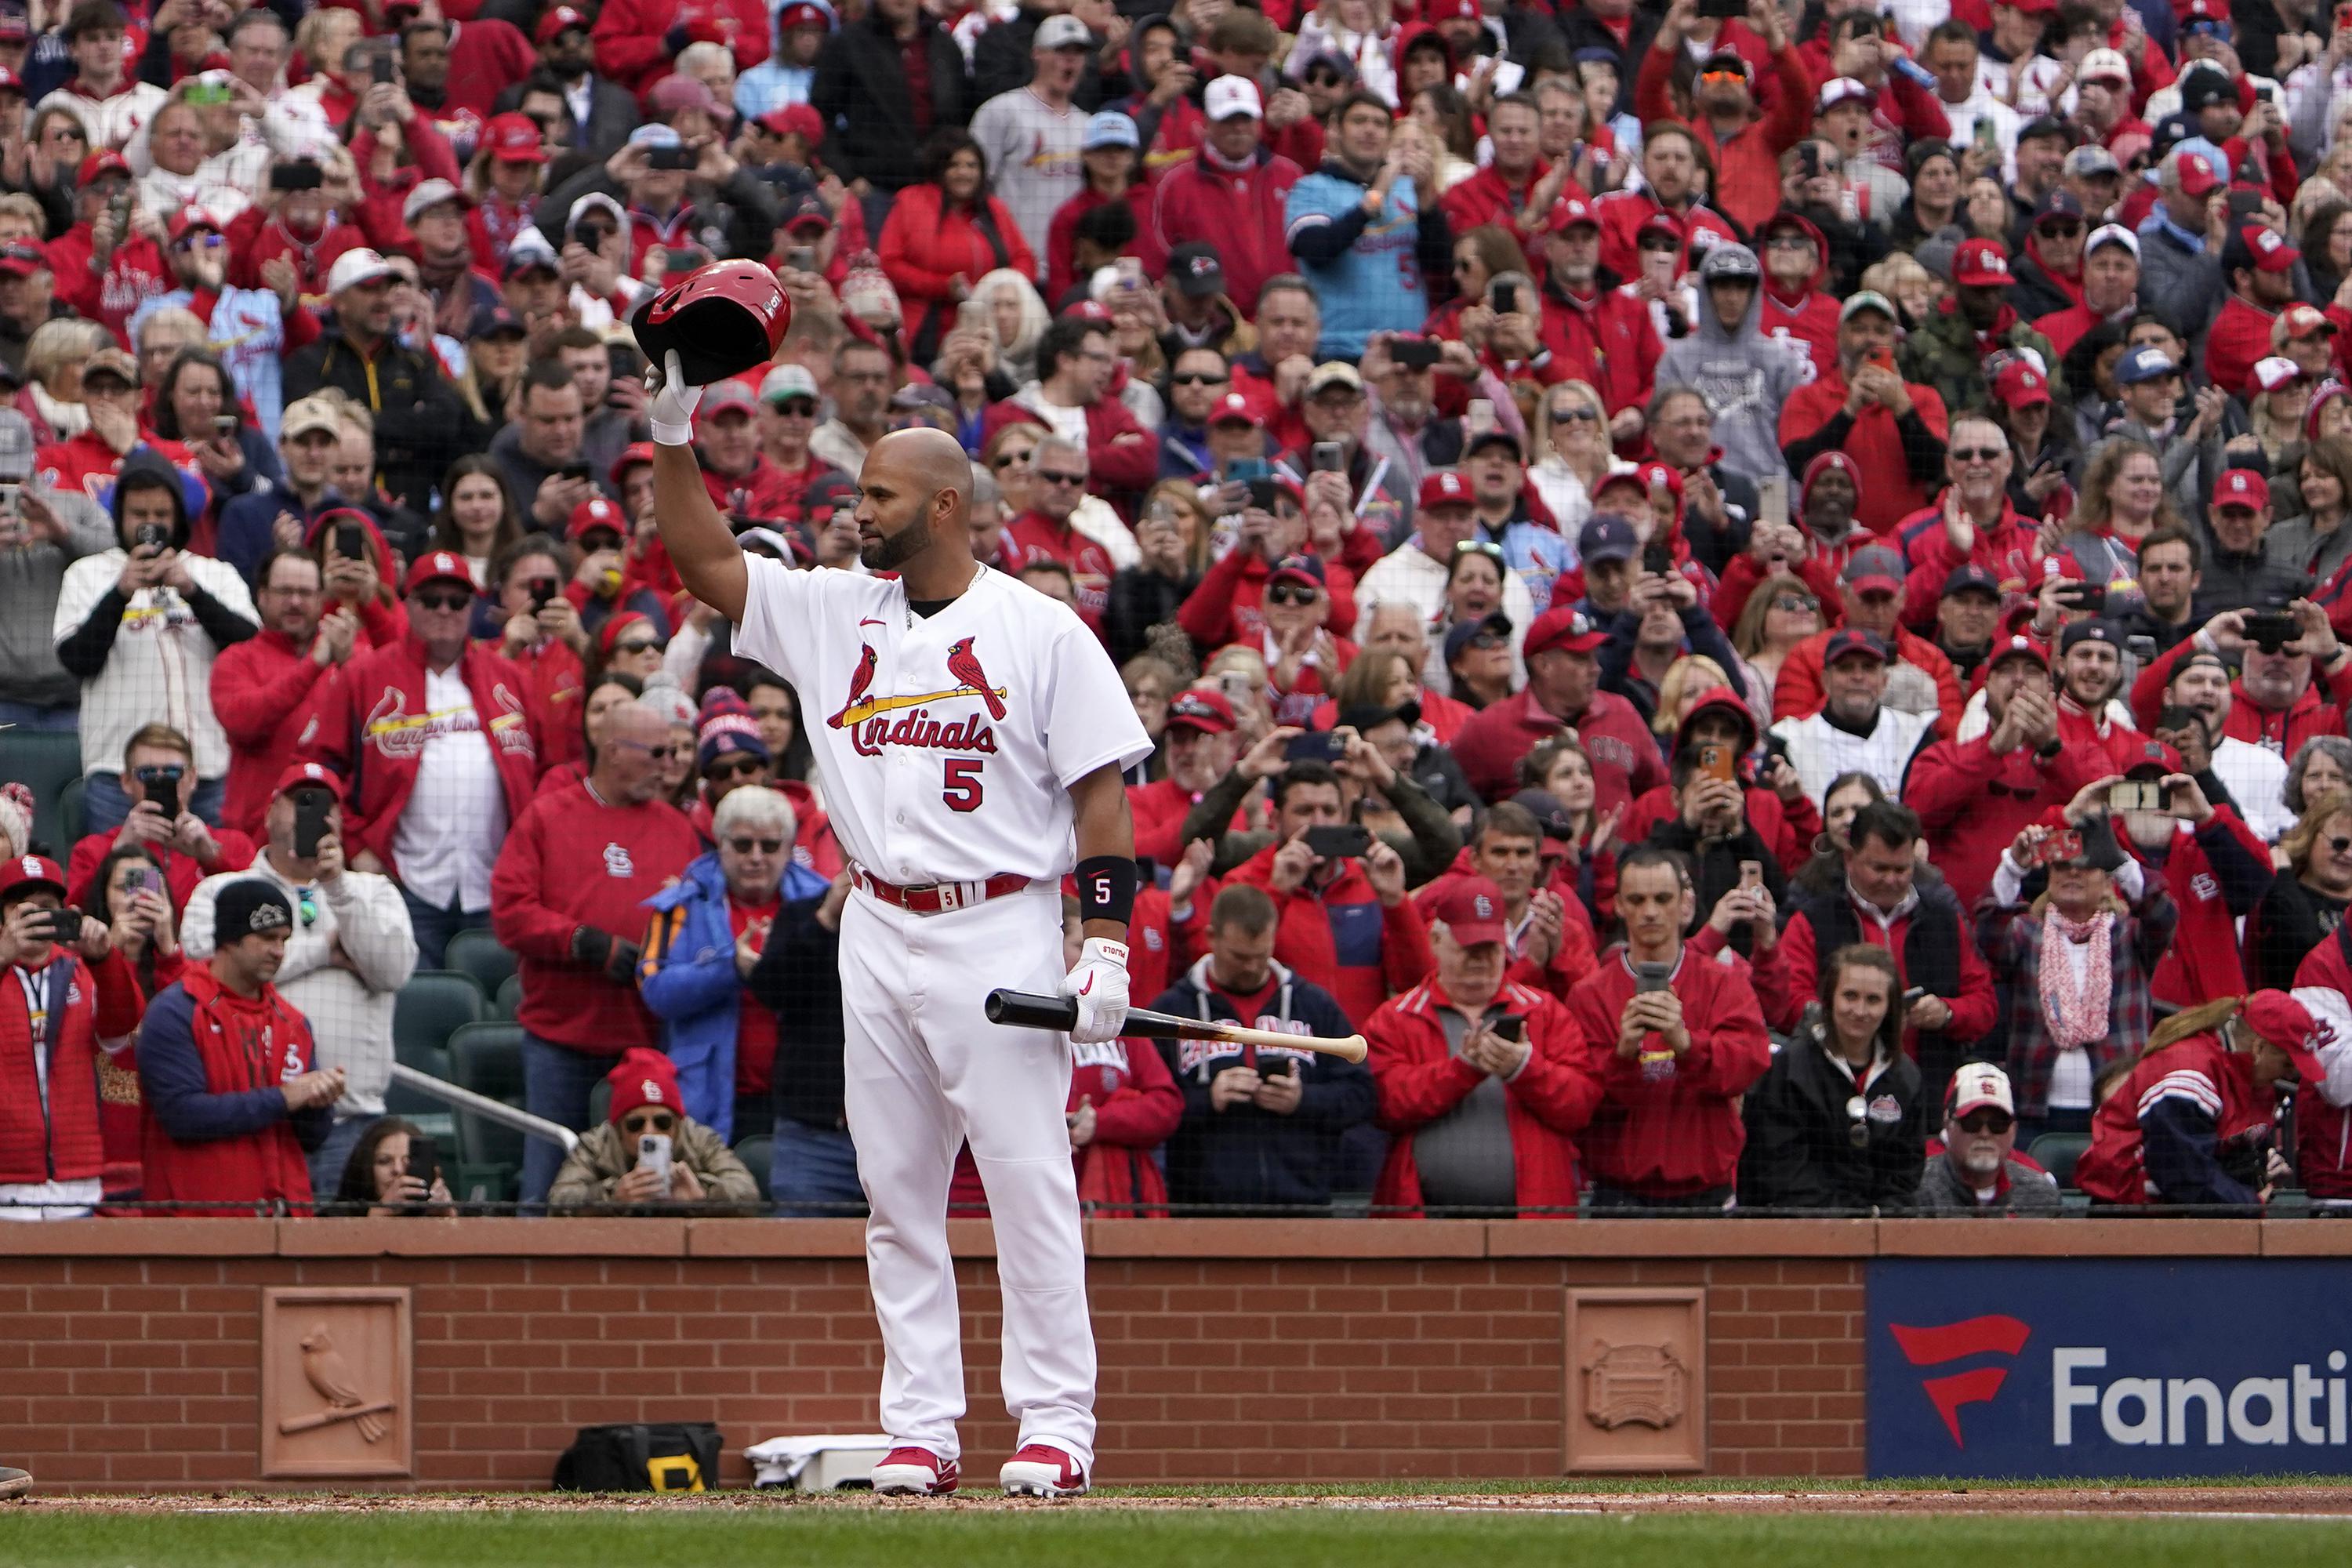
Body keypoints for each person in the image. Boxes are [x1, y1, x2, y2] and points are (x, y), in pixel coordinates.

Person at [650, 310, 1152, 1499]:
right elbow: (708, 566)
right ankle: (922, 1425)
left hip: (1000, 918)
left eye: (876, 494)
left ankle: (1056, 1424)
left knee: (1027, 1180)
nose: (853, 509)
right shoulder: (834, 612)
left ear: (942, 506)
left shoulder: (1042, 631)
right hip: (874, 923)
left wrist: (1107, 949)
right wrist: (673, 432)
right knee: (897, 1193)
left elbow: (1101, 807)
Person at [491, 699, 699, 1206]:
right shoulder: (548, 817)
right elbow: (510, 911)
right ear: (613, 751)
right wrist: (582, 942)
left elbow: (701, 919)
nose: (668, 764)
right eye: (656, 752)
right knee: (548, 1179)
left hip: (648, 1036)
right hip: (561, 1038)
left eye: (673, 752)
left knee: (652, 1181)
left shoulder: (678, 829)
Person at [180, 764, 417, 1200]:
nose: (315, 814)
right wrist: (323, 952)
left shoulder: (371, 891)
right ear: (270, 814)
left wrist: (337, 888)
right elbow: (203, 968)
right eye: (300, 801)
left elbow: (393, 971)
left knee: (351, 1265)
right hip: (254, 1123)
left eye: (326, 805)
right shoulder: (223, 890)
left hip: (352, 1124)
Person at [301, 551, 543, 970]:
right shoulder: (365, 676)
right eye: (431, 600)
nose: (445, 610)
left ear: (473, 608)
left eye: (457, 601)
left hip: (499, 885)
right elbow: (318, 769)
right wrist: (357, 844)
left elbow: (553, 772)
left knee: (494, 1015)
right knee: (412, 1010)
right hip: (404, 884)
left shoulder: (510, 678)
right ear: (408, 603)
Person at [1363, 873, 1599, 1215]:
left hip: (1533, 1223)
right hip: (1423, 1223)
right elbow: (1384, 1104)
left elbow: (1581, 1105)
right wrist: (1461, 1070)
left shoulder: (1545, 1011)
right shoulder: (1396, 1018)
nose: (1480, 958)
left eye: (1489, 947)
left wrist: (1523, 1069)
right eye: (1467, 946)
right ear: (1435, 941)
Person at [50, 450, 257, 833]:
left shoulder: (214, 574)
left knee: (209, 884)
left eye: (161, 515)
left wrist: (191, 591)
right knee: (125, 884)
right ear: (121, 517)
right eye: (139, 515)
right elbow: (78, 660)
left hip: (207, 770)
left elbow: (251, 649)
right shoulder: (89, 575)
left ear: (178, 517)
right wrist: (120, 594)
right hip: (120, 776)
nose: (151, 525)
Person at [1144, 882, 1374, 1213]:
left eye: (1261, 955)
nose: (1252, 967)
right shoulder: (1173, 1011)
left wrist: (1302, 1099)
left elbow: (1362, 1096)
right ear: (1211, 937)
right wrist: (1208, 1098)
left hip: (1303, 1206)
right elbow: (1150, 1107)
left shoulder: (1313, 1005)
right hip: (1203, 1210)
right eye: (1239, 956)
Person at [1564, 847, 1772, 1210]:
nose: (1650, 912)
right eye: (1637, 900)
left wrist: (1687, 1044)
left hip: (1706, 1192)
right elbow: (1581, 1103)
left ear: (1685, 905)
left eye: (1662, 899)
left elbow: (1749, 1064)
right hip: (1620, 1195)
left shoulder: (1724, 983)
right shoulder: (1589, 995)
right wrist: (1623, 1055)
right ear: (1618, 906)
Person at [637, 784, 831, 1145]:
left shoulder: (824, 906)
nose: (756, 857)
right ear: (720, 845)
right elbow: (656, 991)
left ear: (789, 850)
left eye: (770, 846)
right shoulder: (680, 904)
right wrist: (729, 969)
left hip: (804, 1099)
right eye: (742, 845)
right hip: (707, 1100)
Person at [1977, 801, 2180, 1144]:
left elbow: (2162, 916)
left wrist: (2121, 862)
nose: (2073, 872)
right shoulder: (2026, 935)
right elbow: (1988, 932)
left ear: (2106, 882)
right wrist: (2013, 866)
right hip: (2034, 1110)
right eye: (2062, 866)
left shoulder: (2129, 935)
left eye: (2087, 866)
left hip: (2116, 1109)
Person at [137, 878, 340, 1215]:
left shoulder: (293, 1024)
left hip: (284, 1222)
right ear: (230, 940)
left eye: (284, 939)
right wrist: (285, 1098)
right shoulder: (177, 1011)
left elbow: (311, 1138)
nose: (279, 950)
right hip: (199, 1223)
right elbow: (182, 1116)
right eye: (266, 938)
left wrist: (319, 1101)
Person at [1775, 800, 1998, 1105]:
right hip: (1829, 1098)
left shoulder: (1945, 920)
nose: (1892, 880)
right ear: (1850, 858)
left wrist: (1947, 1013)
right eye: (1879, 868)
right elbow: (1787, 1003)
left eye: (1902, 869)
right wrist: (1845, 1017)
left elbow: (1984, 1004)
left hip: (1927, 1098)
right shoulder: (1812, 920)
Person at [2074, 992, 2324, 1209]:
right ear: (2259, 1049)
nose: (2291, 1075)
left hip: (2171, 1215)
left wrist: (2258, 1177)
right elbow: (2181, 1175)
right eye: (2288, 1063)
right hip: (2126, 1218)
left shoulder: (2244, 1078)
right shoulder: (2189, 1071)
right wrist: (2248, 1202)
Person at [0, 854, 143, 1221]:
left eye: (47, 907)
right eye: (23, 909)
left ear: (65, 912)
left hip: (77, 1179)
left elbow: (119, 1032)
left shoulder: (82, 968)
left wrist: (105, 960)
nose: (36, 918)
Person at [1737, 943, 1925, 1213]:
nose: (1860, 1011)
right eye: (1850, 996)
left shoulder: (1906, 1078)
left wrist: (1880, 1216)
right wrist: (1847, 1218)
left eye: (1873, 1000)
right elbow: (1779, 1167)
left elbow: (1906, 1170)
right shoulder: (1789, 1070)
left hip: (1879, 1231)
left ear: (1890, 1007)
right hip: (1795, 1226)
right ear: (1829, 998)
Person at [281, 248, 468, 515]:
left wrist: (361, 423)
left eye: (387, 289)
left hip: (409, 515)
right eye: (369, 290)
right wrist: (406, 433)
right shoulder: (310, 362)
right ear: (340, 301)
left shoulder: (415, 361)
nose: (383, 300)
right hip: (328, 514)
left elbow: (447, 420)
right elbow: (311, 433)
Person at [1285, 90, 1454, 362]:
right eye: (1359, 121)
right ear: (1336, 131)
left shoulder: (1410, 190)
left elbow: (1440, 265)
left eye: (1379, 124)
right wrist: (1374, 199)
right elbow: (1315, 250)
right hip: (1339, 347)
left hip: (1408, 347)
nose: (1370, 131)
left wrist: (1426, 204)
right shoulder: (1311, 188)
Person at [1451, 604, 1665, 811]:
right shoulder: (1489, 729)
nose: (1596, 669)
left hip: (1622, 849)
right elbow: (1450, 797)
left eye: (1595, 657)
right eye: (1581, 659)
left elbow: (1660, 793)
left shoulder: (1621, 712)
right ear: (1543, 665)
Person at [1778, 291, 1951, 538]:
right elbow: (1799, 466)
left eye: (1881, 331)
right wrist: (1848, 411)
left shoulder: (1923, 399)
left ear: (1895, 340)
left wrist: (1902, 409)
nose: (1870, 339)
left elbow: (1933, 470)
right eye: (1859, 329)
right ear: (1838, 337)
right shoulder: (1806, 397)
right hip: (1829, 545)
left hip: (1906, 546)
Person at [210, 548, 352, 839]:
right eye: (284, 591)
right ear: (262, 596)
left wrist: (352, 667)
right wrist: (314, 665)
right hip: (255, 837)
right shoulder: (236, 660)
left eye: (306, 592)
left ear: (321, 598)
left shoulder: (350, 657)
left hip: (335, 836)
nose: (295, 602)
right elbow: (245, 723)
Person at [64, 724, 255, 916]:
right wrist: (118, 853)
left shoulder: (234, 845)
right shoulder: (91, 850)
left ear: (193, 777)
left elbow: (256, 909)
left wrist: (212, 858)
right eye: (147, 774)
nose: (161, 782)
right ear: (126, 782)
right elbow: (77, 914)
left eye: (173, 773)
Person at [547, 1046, 761, 1211]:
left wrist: (703, 1197)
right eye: (635, 1124)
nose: (649, 1132)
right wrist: (612, 1197)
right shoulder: (596, 1144)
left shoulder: (700, 1139)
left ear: (678, 1123)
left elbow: (747, 1193)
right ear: (618, 1127)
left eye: (663, 1122)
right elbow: (559, 1200)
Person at [1768, 629, 1938, 808]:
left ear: (1884, 681)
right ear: (1825, 681)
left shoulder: (1915, 733)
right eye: (1846, 667)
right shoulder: (1789, 739)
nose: (1858, 676)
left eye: (1868, 667)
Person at [1911, 1062, 2064, 1214]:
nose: (1985, 1134)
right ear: (1948, 1125)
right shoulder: (1915, 1190)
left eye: (1998, 1125)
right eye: (1972, 1123)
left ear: (2014, 1130)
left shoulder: (2041, 1196)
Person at [328, 1116, 454, 1216]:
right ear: (365, 1167)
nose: (397, 1170)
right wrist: (380, 1213)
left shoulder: (442, 1212)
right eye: (384, 1161)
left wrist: (450, 1215)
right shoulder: (332, 1218)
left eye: (408, 1161)